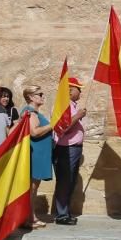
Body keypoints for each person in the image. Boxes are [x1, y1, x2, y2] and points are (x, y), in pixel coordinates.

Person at [53, 76, 87, 225]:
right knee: (65, 181)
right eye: (77, 89)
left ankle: (65, 212)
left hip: (74, 148)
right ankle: (61, 214)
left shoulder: (71, 105)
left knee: (70, 181)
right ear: (70, 91)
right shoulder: (64, 105)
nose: (80, 92)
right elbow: (62, 128)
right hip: (65, 148)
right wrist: (78, 116)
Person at [21, 85, 55, 229]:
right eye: (39, 94)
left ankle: (30, 216)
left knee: (33, 189)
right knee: (31, 189)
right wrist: (52, 125)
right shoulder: (30, 112)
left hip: (39, 154)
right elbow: (34, 132)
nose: (42, 96)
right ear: (30, 97)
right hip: (35, 154)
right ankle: (29, 218)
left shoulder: (33, 112)